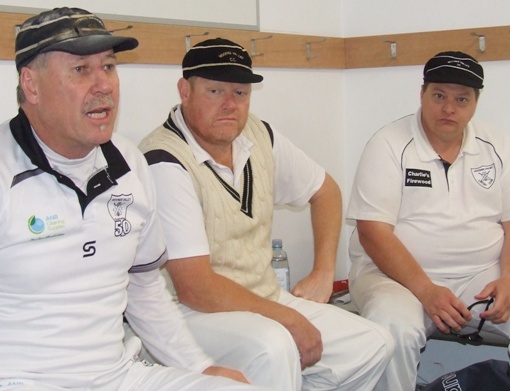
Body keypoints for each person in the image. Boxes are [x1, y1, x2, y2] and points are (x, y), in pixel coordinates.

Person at [0, 7, 272, 391]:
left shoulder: (129, 163)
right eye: (81, 70)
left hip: (120, 375)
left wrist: (199, 366)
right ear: (31, 84)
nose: (104, 85)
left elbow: (143, 287)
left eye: (108, 67)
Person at [138, 37, 394, 391]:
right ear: (185, 91)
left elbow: (326, 191)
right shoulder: (163, 161)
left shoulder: (259, 135)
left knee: (372, 344)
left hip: (263, 297)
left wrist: (323, 271)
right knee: (274, 348)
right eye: (214, 92)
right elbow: (195, 288)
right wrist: (285, 317)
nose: (230, 105)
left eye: (240, 93)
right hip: (189, 314)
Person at [347, 51, 510, 391]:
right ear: (422, 94)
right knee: (394, 328)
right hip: (395, 277)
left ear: (475, 102)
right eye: (439, 96)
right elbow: (372, 233)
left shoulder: (497, 144)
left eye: (461, 99)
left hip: (479, 275)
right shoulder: (389, 144)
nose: (449, 109)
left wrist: (508, 279)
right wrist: (426, 290)